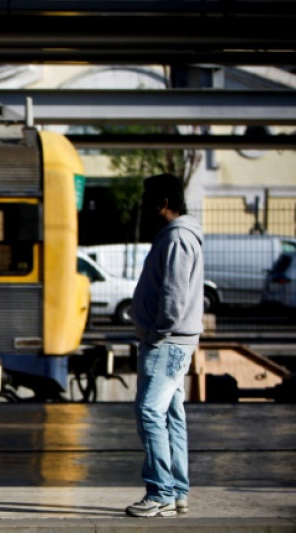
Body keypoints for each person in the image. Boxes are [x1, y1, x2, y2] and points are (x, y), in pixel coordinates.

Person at [126, 173, 204, 518]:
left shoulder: (176, 239)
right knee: (171, 415)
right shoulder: (179, 236)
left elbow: (173, 295)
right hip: (172, 340)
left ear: (163, 204)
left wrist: (158, 333)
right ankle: (178, 490)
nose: (144, 207)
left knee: (149, 412)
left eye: (148, 201)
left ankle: (160, 492)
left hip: (167, 342)